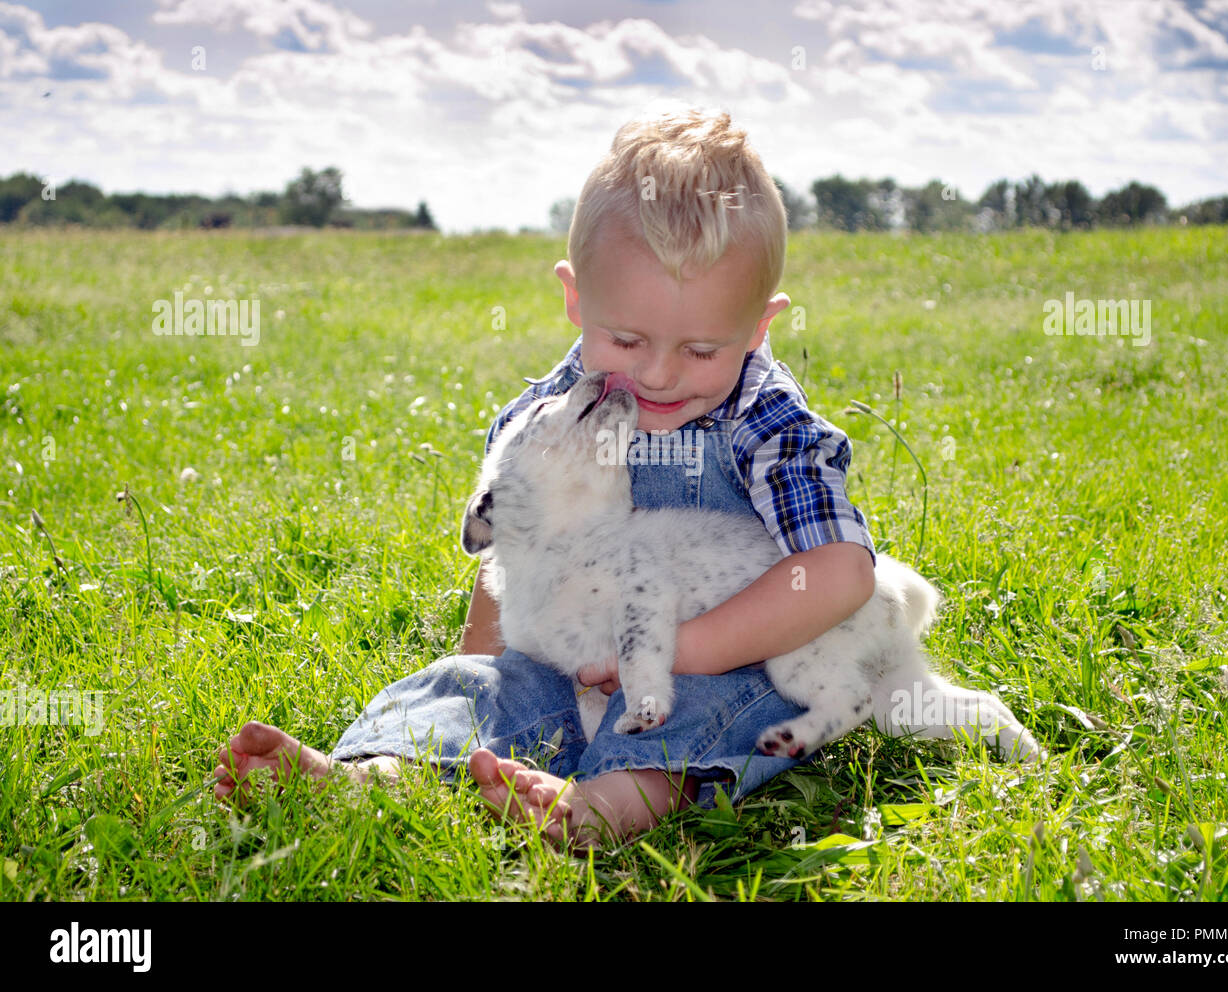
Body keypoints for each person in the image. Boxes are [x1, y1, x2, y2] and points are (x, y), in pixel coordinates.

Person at [215, 105, 877, 849]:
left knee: (717, 700)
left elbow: (839, 573)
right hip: (573, 656)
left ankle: (603, 807)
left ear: (759, 327)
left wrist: (681, 647)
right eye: (626, 339)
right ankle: (380, 772)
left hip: (723, 652)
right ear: (574, 299)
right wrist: (490, 669)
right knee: (483, 687)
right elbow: (514, 560)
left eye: (700, 352)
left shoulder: (766, 423)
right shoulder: (547, 420)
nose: (656, 374)